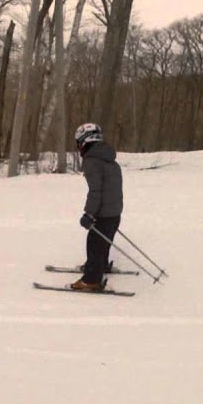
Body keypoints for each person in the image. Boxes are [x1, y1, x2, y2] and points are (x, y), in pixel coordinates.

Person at [71, 122, 123, 292]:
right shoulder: (109, 159)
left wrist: (89, 214)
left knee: (94, 243)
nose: (78, 148)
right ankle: (101, 266)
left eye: (79, 143)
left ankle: (92, 279)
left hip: (103, 212)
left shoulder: (92, 161)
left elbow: (95, 191)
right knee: (104, 242)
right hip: (114, 212)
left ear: (87, 141)